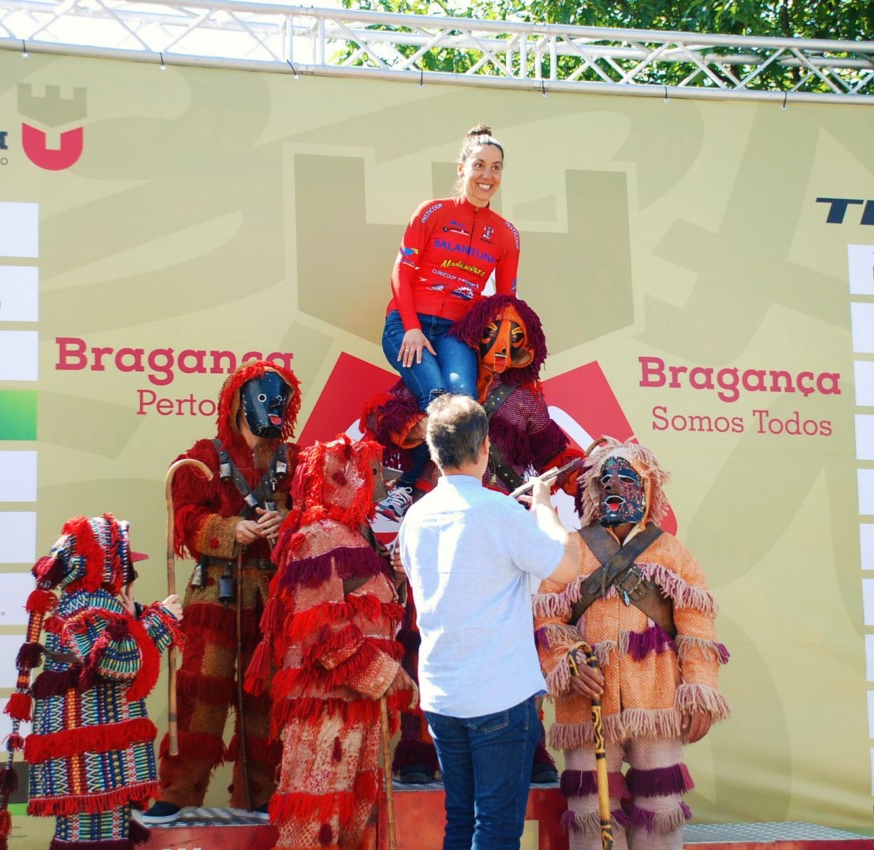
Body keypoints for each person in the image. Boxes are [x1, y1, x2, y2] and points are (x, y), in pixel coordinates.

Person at [396, 393, 580, 850]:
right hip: (498, 694)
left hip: (442, 694)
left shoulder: (416, 516)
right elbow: (567, 567)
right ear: (484, 449)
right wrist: (543, 511)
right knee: (496, 830)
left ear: (434, 454)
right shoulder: (502, 512)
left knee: (461, 822)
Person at [534, 439, 730, 850]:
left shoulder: (673, 553)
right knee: (590, 816)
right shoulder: (570, 548)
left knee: (661, 815)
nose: (615, 487)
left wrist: (700, 692)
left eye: (627, 479)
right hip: (586, 704)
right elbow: (546, 617)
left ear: (649, 488)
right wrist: (570, 663)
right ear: (593, 489)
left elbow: (697, 628)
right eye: (606, 479)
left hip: (657, 703)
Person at [143, 359, 302, 823]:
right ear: (236, 402)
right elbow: (185, 517)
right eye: (263, 398)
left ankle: (263, 795)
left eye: (282, 400)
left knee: (268, 695)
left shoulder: (297, 459)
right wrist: (232, 529)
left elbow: (316, 513)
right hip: (216, 592)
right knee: (202, 692)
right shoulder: (203, 457)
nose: (273, 408)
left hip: (274, 597)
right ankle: (177, 790)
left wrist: (287, 524)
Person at [244, 434, 415, 850]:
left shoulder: (353, 535)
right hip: (326, 708)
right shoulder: (319, 536)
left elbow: (362, 608)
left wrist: (393, 579)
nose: (381, 484)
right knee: (315, 821)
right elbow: (322, 634)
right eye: (372, 473)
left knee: (351, 821)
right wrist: (387, 674)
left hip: (356, 705)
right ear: (345, 476)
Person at [0, 514, 183, 850]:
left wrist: (144, 616)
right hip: (90, 729)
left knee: (86, 822)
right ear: (108, 565)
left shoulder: (82, 601)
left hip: (78, 727)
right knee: (96, 824)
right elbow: (116, 663)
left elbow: (117, 638)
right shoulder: (92, 603)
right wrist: (163, 621)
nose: (130, 576)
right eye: (125, 566)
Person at [376, 123, 521, 522]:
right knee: (438, 400)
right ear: (462, 168)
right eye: (479, 165)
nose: (487, 175)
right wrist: (410, 326)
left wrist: (507, 342)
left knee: (464, 407)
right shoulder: (432, 212)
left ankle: (433, 493)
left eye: (496, 167)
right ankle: (407, 490)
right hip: (409, 327)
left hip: (457, 334)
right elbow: (401, 273)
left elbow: (505, 304)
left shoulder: (506, 234)